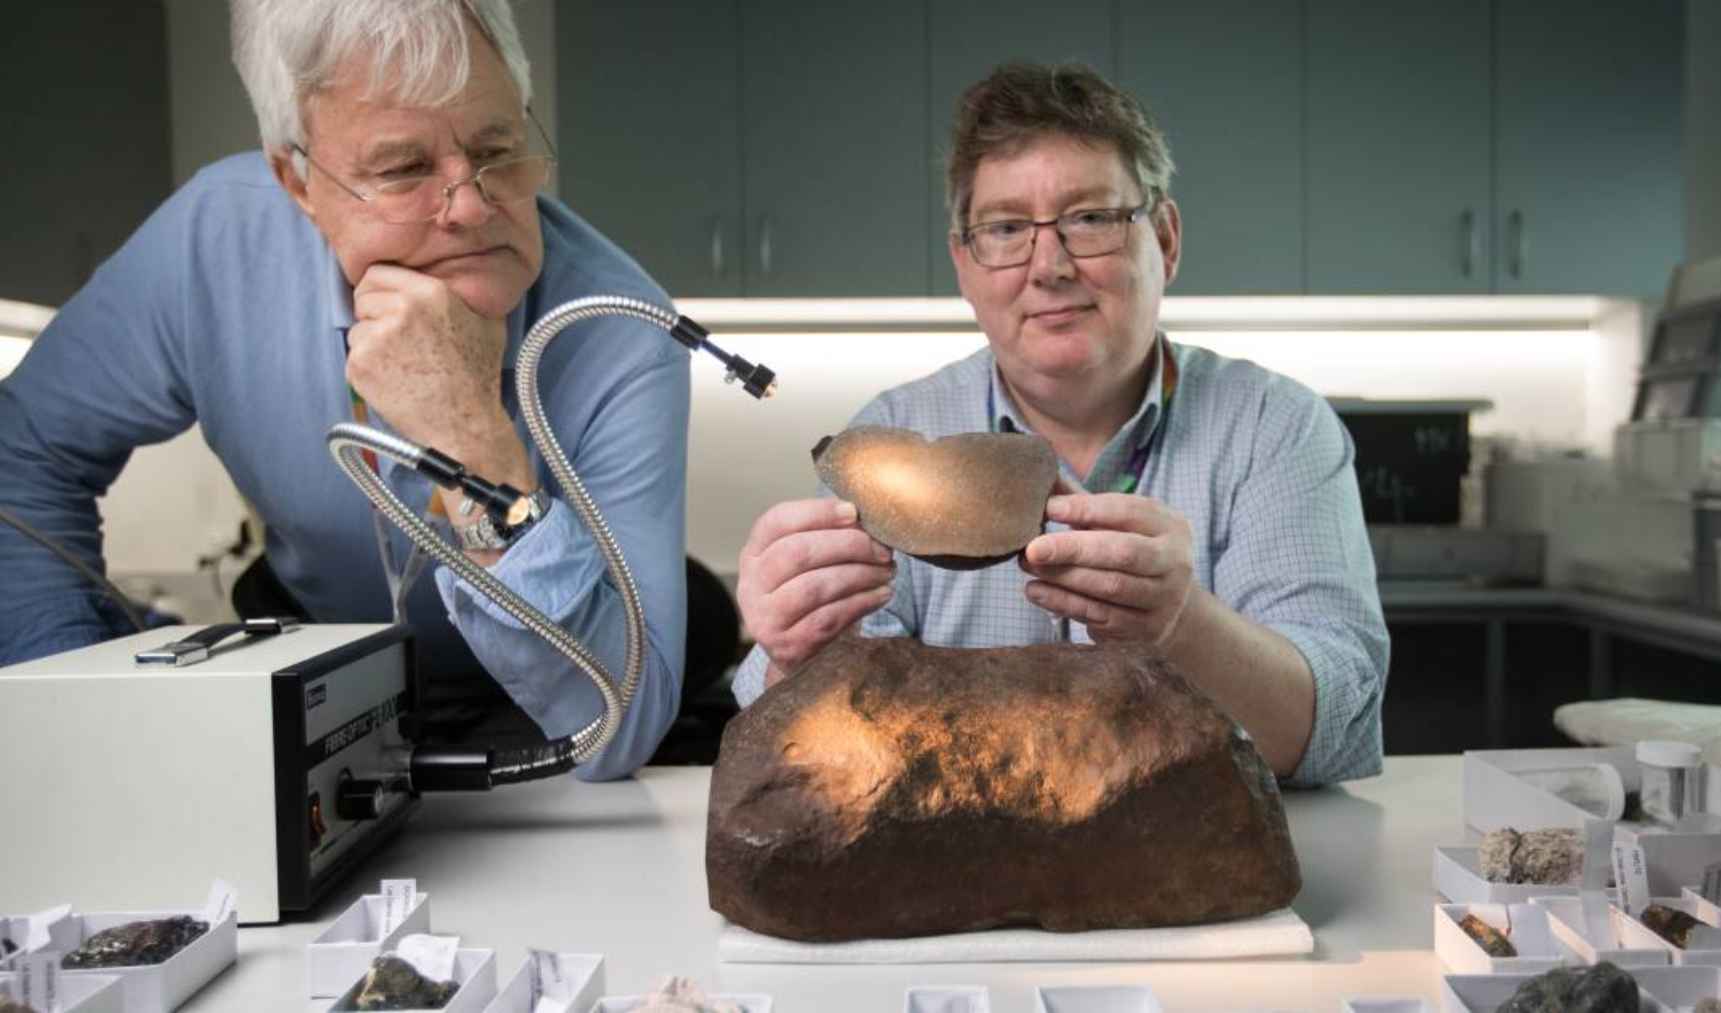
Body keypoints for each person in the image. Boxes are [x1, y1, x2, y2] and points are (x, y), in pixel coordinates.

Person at [0, 0, 688, 780]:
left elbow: (621, 723)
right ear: (297, 181)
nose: (469, 206)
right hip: (305, 675)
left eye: (498, 149)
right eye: (403, 169)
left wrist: (471, 438)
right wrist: (66, 702)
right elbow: (18, 457)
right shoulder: (213, 242)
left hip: (532, 713)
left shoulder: (623, 328)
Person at [732, 63, 1387, 788]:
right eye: (1006, 228)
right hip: (961, 868)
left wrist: (1182, 625)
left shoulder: (1276, 428)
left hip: (1211, 865)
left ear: (1164, 239)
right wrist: (792, 655)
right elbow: (826, 750)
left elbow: (1329, 734)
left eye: (1090, 219)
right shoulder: (893, 435)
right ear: (964, 264)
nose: (1049, 266)